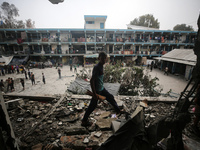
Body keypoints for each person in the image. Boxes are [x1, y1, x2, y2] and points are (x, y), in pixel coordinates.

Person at [81, 52, 121, 127]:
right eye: (102, 58)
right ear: (99, 58)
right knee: (92, 106)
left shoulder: (101, 66)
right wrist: (94, 93)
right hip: (97, 90)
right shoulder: (97, 67)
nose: (104, 60)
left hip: (101, 89)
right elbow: (92, 80)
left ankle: (118, 110)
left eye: (105, 58)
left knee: (110, 97)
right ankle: (84, 121)